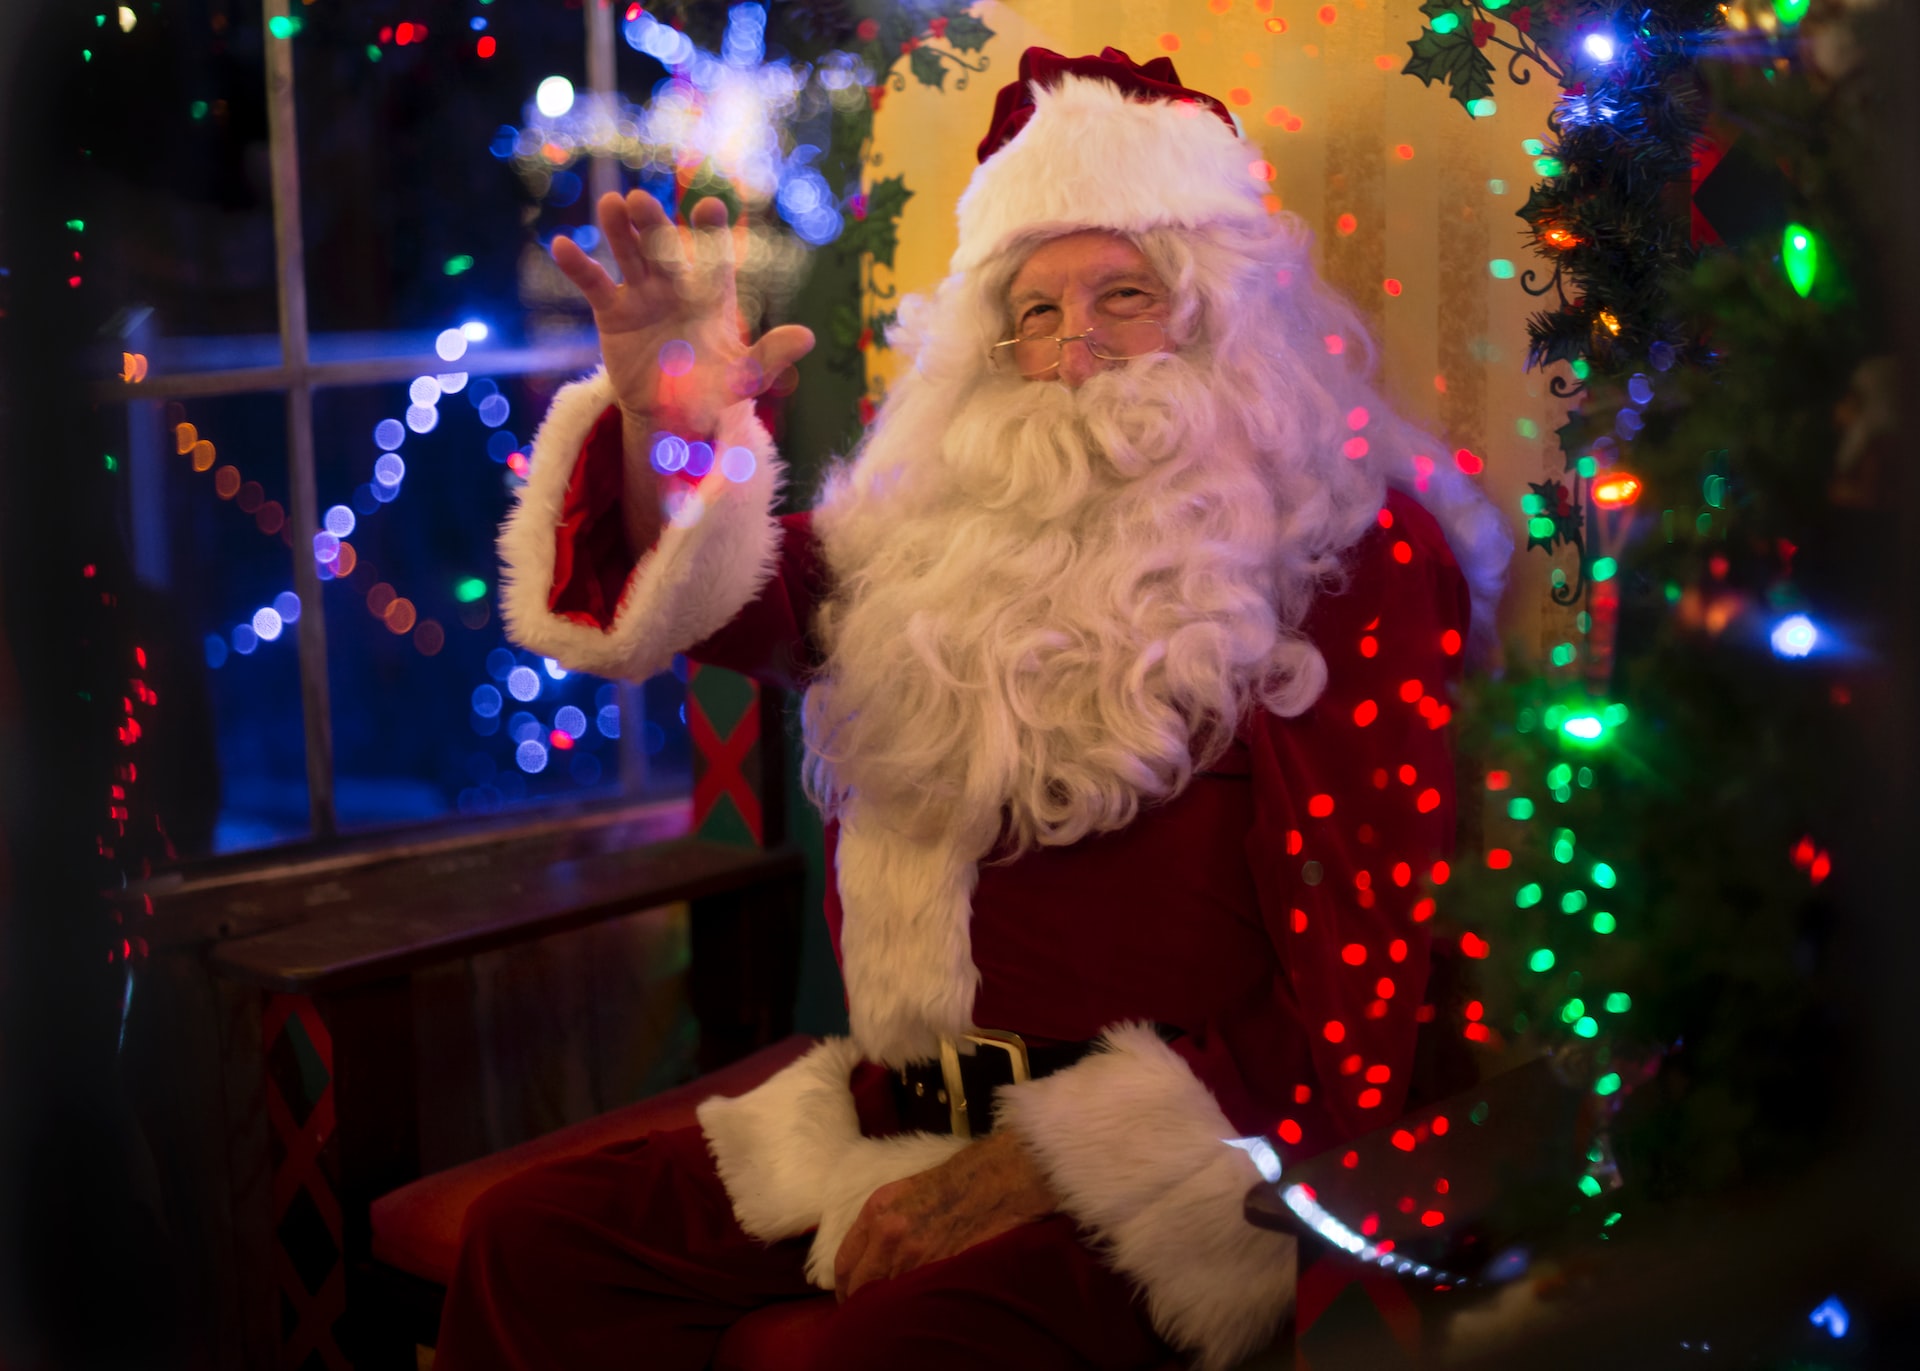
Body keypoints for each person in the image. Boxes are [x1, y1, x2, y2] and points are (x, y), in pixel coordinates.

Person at [442, 47, 1510, 1371]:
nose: (1072, 354)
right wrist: (670, 423)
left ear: (1223, 319)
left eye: (1124, 298)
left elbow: (1359, 973)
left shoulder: (1349, 551)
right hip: (895, 1114)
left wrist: (1038, 1174)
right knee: (531, 1249)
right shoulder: (924, 538)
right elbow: (690, 606)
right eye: (1037, 311)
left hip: (1180, 1172)